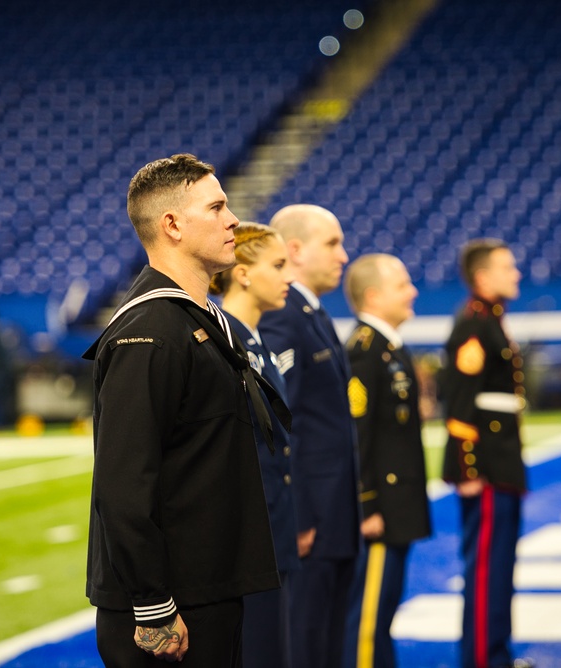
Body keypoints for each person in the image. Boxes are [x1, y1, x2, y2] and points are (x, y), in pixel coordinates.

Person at [82, 154, 286, 667]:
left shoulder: (193, 318)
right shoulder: (149, 331)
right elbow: (123, 483)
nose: (233, 219)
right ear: (171, 224)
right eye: (216, 207)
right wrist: (152, 606)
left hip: (207, 589)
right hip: (173, 609)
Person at [258, 203, 361, 668]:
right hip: (312, 520)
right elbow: (283, 421)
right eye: (333, 243)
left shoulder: (313, 314)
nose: (343, 256)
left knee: (330, 640)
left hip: (334, 512)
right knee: (306, 640)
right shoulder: (284, 316)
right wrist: (297, 515)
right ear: (295, 249)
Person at [440, 239, 534, 668]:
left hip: (503, 460)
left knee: (501, 569)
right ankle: (482, 660)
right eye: (507, 267)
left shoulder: (492, 320)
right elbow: (459, 404)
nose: (516, 274)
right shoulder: (474, 324)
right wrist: (468, 467)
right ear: (482, 277)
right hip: (487, 465)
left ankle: (496, 653)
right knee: (486, 571)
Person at [210, 222, 299, 668]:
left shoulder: (259, 340)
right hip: (246, 539)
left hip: (273, 528)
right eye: (278, 265)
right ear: (242, 272)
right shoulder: (222, 338)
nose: (289, 277)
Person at [341, 254, 432, 668]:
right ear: (374, 297)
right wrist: (368, 504)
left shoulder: (389, 347)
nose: (412, 292)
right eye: (402, 285)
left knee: (383, 616)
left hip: (398, 505)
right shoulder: (365, 351)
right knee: (367, 623)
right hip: (381, 510)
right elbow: (357, 437)